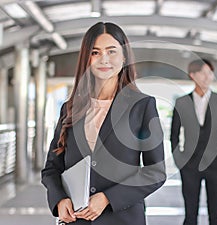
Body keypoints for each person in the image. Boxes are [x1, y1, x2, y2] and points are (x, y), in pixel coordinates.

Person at [41, 22, 166, 225]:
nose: (104, 59)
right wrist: (59, 199)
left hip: (122, 218)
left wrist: (107, 198)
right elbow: (51, 168)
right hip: (77, 219)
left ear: (124, 56)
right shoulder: (70, 108)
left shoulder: (142, 106)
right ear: (87, 58)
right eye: (95, 52)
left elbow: (155, 172)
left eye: (111, 51)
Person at [170, 59, 217, 225]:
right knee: (190, 214)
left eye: (210, 73)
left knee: (216, 215)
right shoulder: (182, 102)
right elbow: (174, 134)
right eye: (203, 73)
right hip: (190, 165)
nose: (208, 77)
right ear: (193, 75)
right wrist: (180, 161)